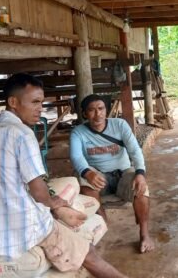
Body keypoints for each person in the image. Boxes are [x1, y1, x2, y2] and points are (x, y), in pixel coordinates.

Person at [0, 73, 126, 278]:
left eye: (41, 102)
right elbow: (39, 192)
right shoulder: (21, 134)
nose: (40, 108)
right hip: (25, 230)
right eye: (35, 102)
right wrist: (55, 204)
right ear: (13, 102)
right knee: (87, 252)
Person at [70, 94, 155, 253]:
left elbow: (135, 150)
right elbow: (76, 157)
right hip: (99, 176)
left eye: (101, 109)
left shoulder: (119, 125)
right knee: (83, 182)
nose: (98, 114)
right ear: (84, 114)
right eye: (92, 110)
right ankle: (103, 221)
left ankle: (144, 234)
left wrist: (140, 173)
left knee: (141, 189)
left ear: (106, 110)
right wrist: (87, 172)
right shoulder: (78, 132)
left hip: (123, 173)